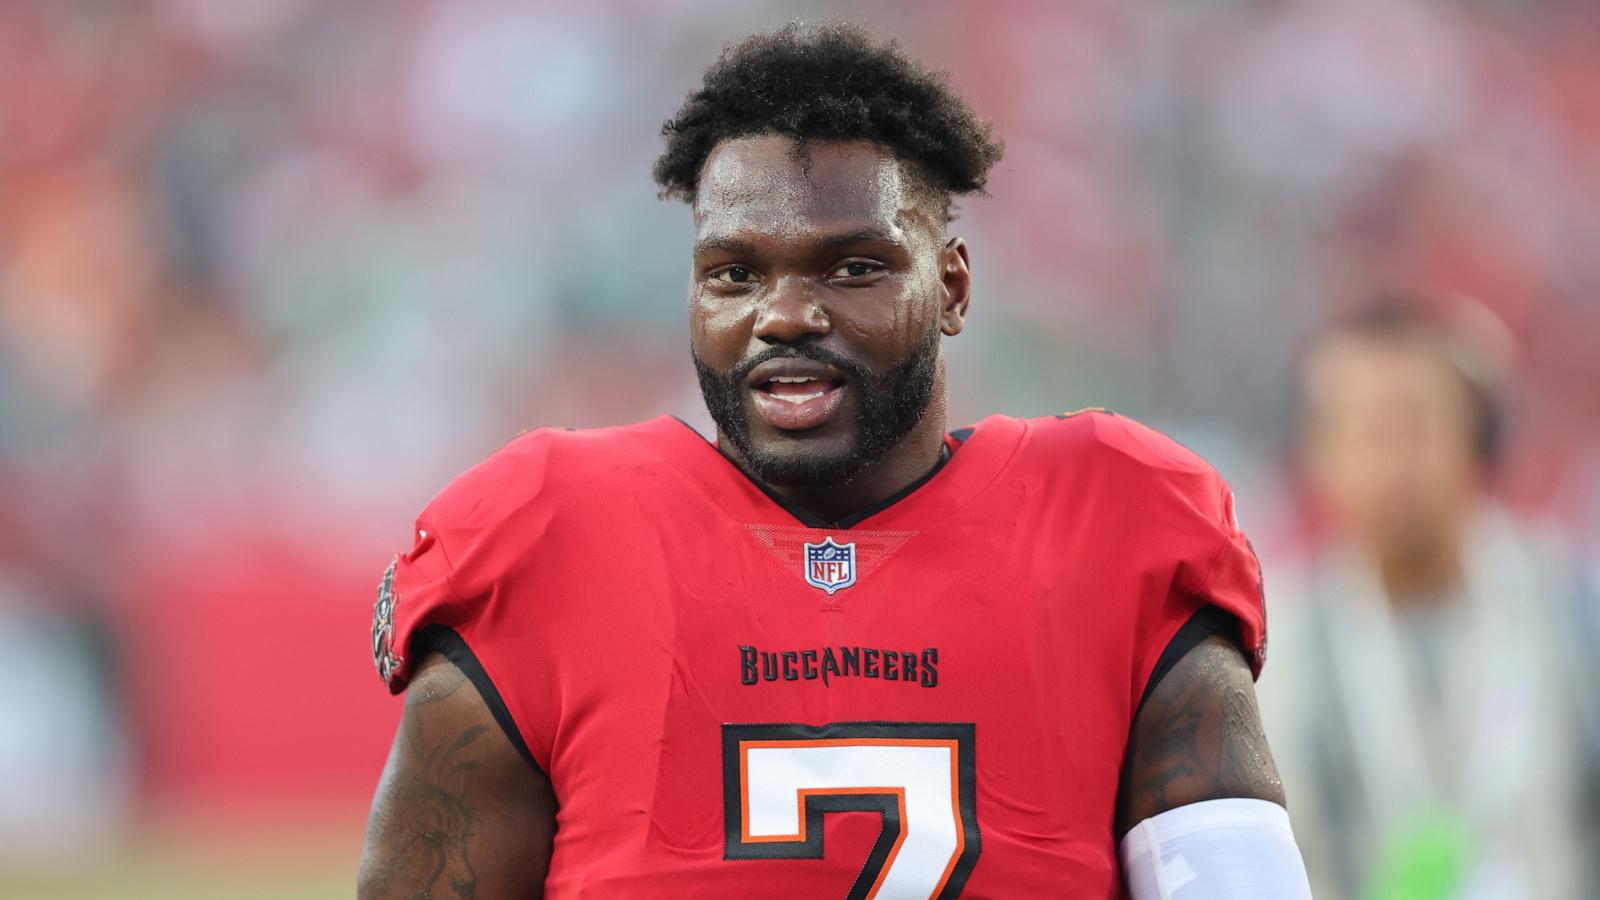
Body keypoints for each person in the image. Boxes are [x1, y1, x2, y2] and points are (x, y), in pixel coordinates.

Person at [358, 23, 1312, 899]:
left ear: (951, 285)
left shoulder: (1110, 518)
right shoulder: (551, 532)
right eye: (735, 273)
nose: (784, 315)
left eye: (852, 268)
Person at [1258, 299, 1600, 898]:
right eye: (1362, 430)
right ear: (1316, 456)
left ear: (1479, 438)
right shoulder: (1277, 647)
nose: (1390, 461)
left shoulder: (1573, 609)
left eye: (1414, 424)